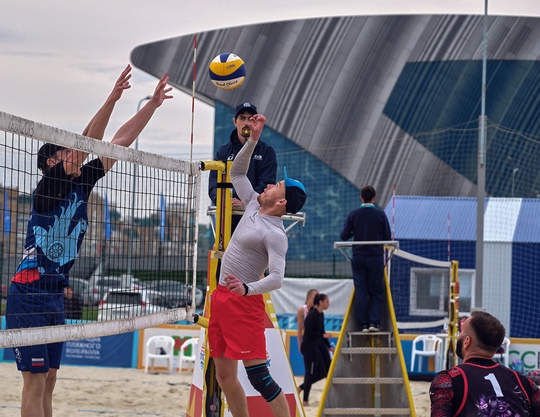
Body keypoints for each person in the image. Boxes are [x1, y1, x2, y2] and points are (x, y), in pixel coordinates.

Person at [5, 65, 172, 417]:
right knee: (35, 382)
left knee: (50, 379)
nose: (75, 155)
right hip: (29, 291)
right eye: (66, 153)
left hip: (54, 293)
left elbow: (119, 143)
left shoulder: (82, 182)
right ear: (51, 163)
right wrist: (111, 98)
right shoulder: (47, 188)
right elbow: (83, 146)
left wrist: (152, 105)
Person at [208, 112, 307, 417]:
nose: (270, 184)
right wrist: (253, 139)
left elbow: (277, 278)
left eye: (278, 185)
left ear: (282, 202)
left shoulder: (275, 234)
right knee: (224, 377)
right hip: (222, 297)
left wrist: (247, 288)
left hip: (244, 303)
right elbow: (237, 173)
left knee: (259, 378)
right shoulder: (253, 202)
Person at [429, 310, 540, 416]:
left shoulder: (448, 380)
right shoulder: (525, 383)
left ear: (466, 341)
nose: (458, 336)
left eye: (461, 332)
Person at [208, 102, 277, 232]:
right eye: (242, 118)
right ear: (235, 121)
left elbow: (267, 184)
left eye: (251, 119)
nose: (246, 123)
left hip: (254, 217)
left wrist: (246, 202)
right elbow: (213, 184)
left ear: (256, 122)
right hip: (227, 217)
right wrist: (224, 201)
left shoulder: (267, 152)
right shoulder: (223, 152)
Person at [340, 185, 391, 333]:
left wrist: (356, 231)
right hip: (375, 256)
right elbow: (387, 237)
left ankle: (362, 324)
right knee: (376, 291)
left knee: (361, 290)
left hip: (359, 256)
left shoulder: (354, 215)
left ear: (361, 197)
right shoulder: (380, 215)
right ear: (374, 198)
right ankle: (374, 323)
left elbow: (344, 236)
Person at [297, 293, 333, 407]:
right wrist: (322, 336)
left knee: (323, 372)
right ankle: (305, 400)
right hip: (309, 347)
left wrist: (329, 346)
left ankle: (301, 388)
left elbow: (322, 331)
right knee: (311, 374)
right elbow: (308, 332)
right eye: (327, 301)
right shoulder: (312, 314)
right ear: (321, 302)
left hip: (316, 346)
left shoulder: (321, 314)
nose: (329, 304)